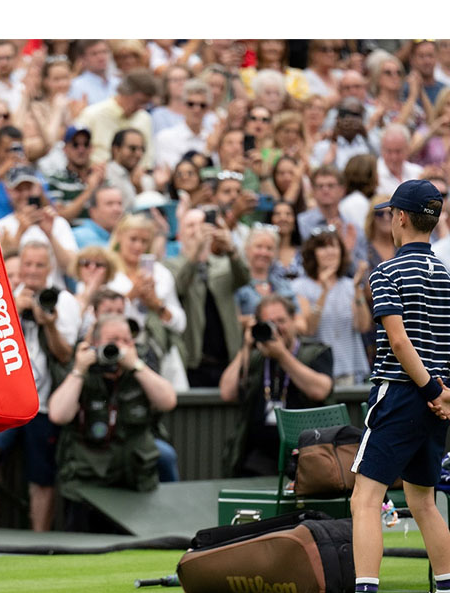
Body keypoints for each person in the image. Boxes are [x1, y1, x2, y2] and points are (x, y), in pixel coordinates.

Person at [313, 179, 450, 593]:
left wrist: (431, 391)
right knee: (423, 499)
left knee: (364, 498)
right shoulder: (448, 275)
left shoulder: (385, 272)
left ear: (399, 218)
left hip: (404, 392)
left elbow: (399, 341)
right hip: (436, 397)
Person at [0, 240, 80, 533]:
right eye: (28, 265)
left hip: (45, 399)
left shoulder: (64, 301)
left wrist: (49, 323)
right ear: (19, 267)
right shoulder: (1, 296)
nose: (33, 272)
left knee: (41, 472)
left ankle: (38, 535)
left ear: (50, 269)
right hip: (8, 396)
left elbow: (65, 354)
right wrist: (10, 310)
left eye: (39, 265)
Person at [49, 313, 178, 529]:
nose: (119, 347)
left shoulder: (139, 367)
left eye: (126, 340)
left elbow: (168, 401)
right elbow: (59, 414)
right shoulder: (82, 369)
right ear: (95, 344)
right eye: (112, 341)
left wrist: (136, 366)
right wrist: (79, 371)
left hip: (134, 479)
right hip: (88, 482)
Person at [219, 294, 334, 477]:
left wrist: (282, 356)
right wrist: (247, 347)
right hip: (259, 457)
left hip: (307, 454)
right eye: (269, 323)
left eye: (281, 321)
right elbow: (227, 392)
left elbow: (320, 390)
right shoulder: (258, 357)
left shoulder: (315, 352)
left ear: (293, 321)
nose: (276, 329)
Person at [168, 207, 247, 387]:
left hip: (228, 362)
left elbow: (244, 278)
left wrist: (232, 250)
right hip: (193, 363)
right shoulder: (169, 266)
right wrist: (196, 253)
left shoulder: (223, 264)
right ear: (180, 233)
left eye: (202, 224)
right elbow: (179, 287)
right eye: (190, 225)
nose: (197, 230)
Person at [289, 227, 372, 387]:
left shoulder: (349, 285)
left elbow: (362, 326)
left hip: (349, 369)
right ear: (312, 253)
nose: (329, 252)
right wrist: (324, 292)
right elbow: (309, 330)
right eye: (322, 247)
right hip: (316, 371)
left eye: (333, 246)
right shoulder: (299, 287)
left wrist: (357, 290)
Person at [75, 70, 158, 168]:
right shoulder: (93, 114)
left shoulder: (144, 118)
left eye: (145, 104)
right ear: (124, 93)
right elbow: (75, 148)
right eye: (138, 102)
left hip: (134, 178)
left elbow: (148, 157)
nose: (140, 107)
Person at [73, 184, 125, 249]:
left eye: (120, 203)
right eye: (109, 204)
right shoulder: (79, 236)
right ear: (93, 211)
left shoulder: (125, 236)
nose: (117, 209)